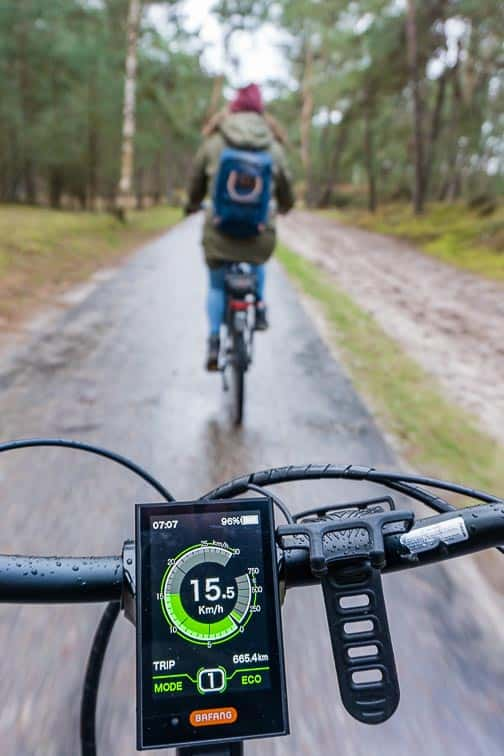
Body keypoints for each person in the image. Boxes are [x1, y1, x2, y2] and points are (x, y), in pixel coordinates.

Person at [185, 83, 295, 371]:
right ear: (261, 111)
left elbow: (197, 180)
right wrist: (285, 206)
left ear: (233, 108)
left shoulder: (215, 140)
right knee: (256, 257)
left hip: (219, 231)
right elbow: (285, 185)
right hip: (259, 233)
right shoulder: (272, 144)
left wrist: (192, 203)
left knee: (217, 285)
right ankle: (258, 305)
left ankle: (213, 340)